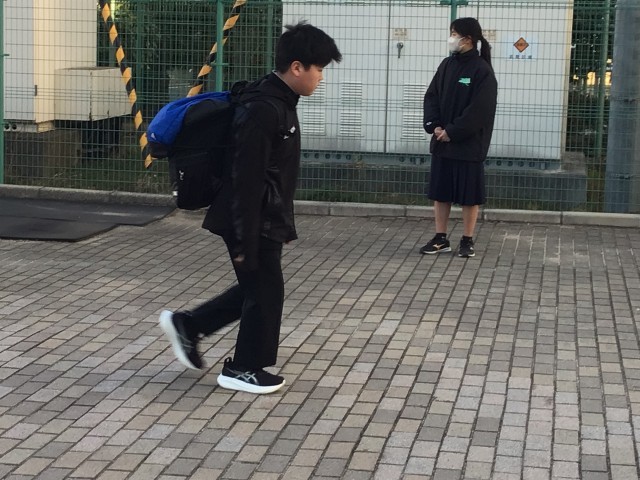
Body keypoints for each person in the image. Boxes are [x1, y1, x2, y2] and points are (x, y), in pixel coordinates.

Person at [159, 22, 342, 394]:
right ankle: (242, 368)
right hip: (247, 217)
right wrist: (245, 239)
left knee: (257, 288)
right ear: (297, 67)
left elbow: (273, 175)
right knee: (266, 291)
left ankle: (190, 325)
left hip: (262, 215)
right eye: (319, 69)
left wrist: (280, 223)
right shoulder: (264, 108)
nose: (321, 78)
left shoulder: (277, 101)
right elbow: (246, 177)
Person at [420, 17, 497, 258]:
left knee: (469, 197)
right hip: (442, 143)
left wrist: (453, 131)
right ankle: (440, 238)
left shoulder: (482, 71)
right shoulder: (446, 65)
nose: (451, 38)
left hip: (468, 145)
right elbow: (432, 96)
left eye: (455, 34)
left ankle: (467, 239)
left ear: (468, 39)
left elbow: (480, 110)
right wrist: (435, 126)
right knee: (440, 193)